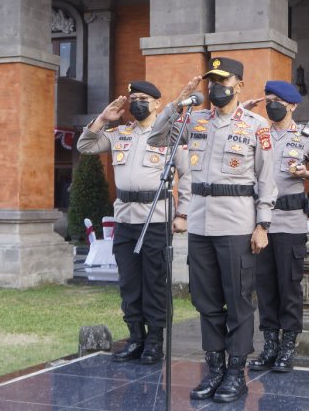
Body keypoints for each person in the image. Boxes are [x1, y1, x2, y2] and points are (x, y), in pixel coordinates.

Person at [149, 57, 277, 403]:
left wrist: (263, 224)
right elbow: (156, 137)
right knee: (206, 301)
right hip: (201, 223)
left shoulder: (256, 125)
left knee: (237, 301)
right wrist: (179, 101)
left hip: (237, 223)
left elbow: (267, 180)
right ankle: (215, 370)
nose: (216, 87)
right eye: (212, 81)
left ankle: (236, 373)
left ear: (240, 85)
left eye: (223, 80)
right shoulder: (196, 119)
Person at [77, 80, 197, 365]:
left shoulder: (170, 134)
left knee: (154, 282)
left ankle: (154, 341)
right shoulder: (121, 133)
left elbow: (188, 174)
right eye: (134, 98)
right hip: (125, 218)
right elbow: (86, 146)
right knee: (129, 282)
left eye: (144, 98)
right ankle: (135, 338)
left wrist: (182, 214)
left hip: (156, 218)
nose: (137, 103)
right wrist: (104, 119)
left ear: (157, 103)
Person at [241, 81, 309, 373]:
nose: (271, 104)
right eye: (268, 99)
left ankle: (288, 348)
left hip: (290, 224)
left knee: (289, 287)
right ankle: (269, 345)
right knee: (265, 287)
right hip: (259, 224)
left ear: (292, 105)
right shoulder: (257, 133)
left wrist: (306, 172)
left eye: (277, 100)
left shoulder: (307, 137)